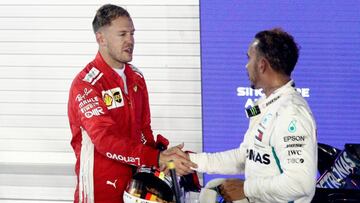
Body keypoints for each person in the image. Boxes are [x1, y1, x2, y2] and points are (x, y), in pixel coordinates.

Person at [67, 4, 196, 203]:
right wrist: (156, 158)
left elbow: (143, 130)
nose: (130, 40)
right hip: (100, 192)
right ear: (101, 38)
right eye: (122, 34)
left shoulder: (136, 77)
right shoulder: (86, 84)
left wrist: (161, 155)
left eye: (132, 33)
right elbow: (105, 139)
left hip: (136, 190)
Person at [190, 28, 317, 203]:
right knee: (211, 188)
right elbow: (247, 156)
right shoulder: (265, 105)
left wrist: (246, 188)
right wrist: (193, 161)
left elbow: (300, 184)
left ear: (262, 65)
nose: (246, 65)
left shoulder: (291, 113)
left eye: (249, 58)